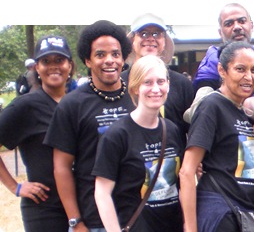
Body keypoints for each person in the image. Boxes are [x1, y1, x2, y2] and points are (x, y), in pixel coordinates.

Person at [45, 20, 136, 232]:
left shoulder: (137, 96)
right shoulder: (72, 104)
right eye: (100, 54)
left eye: (115, 54)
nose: (109, 61)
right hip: (94, 220)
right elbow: (62, 168)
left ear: (123, 58)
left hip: (138, 215)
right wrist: (75, 221)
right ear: (88, 60)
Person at [179, 41, 254, 232]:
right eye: (240, 69)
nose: (249, 77)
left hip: (244, 212)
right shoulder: (212, 106)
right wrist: (190, 228)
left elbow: (247, 166)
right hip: (218, 213)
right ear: (222, 70)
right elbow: (187, 171)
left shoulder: (243, 112)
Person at [93, 55, 183, 232]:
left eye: (160, 81)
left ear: (168, 85)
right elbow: (102, 192)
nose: (156, 89)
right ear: (135, 88)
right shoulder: (117, 135)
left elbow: (178, 183)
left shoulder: (172, 130)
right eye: (147, 82)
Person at [0, 35, 74, 232]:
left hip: (80, 207)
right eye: (46, 61)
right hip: (44, 210)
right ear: (36, 68)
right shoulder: (25, 106)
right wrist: (15, 187)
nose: (53, 66)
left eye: (59, 60)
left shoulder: (78, 103)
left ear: (70, 65)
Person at [122, 13, 195, 140]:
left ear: (164, 42)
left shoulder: (182, 84)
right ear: (133, 40)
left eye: (157, 34)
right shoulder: (119, 82)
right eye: (143, 33)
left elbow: (193, 132)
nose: (150, 39)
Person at [192, 3, 254, 91]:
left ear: (251, 26)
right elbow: (203, 99)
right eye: (229, 24)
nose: (237, 27)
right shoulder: (210, 65)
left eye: (242, 21)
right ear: (220, 32)